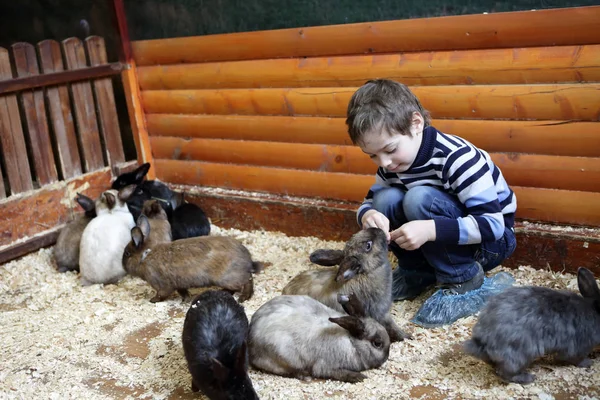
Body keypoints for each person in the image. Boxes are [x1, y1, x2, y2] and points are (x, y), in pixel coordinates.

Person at [345, 79, 517, 318]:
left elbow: (493, 226)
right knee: (384, 200)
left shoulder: (457, 157)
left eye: (390, 149)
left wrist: (430, 230)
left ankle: (463, 277)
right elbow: (369, 202)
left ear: (416, 123)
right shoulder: (391, 165)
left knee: (419, 197)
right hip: (439, 238)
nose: (383, 163)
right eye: (372, 155)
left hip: (488, 245)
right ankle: (417, 271)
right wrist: (370, 215)